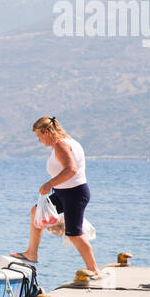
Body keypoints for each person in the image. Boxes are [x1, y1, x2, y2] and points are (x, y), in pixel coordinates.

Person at [11, 116, 100, 277]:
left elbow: (71, 169)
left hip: (74, 194)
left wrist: (49, 184)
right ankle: (32, 253)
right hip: (64, 192)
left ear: (46, 132)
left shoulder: (61, 145)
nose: (39, 140)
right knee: (36, 212)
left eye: (39, 135)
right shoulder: (69, 142)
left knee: (74, 234)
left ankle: (94, 270)